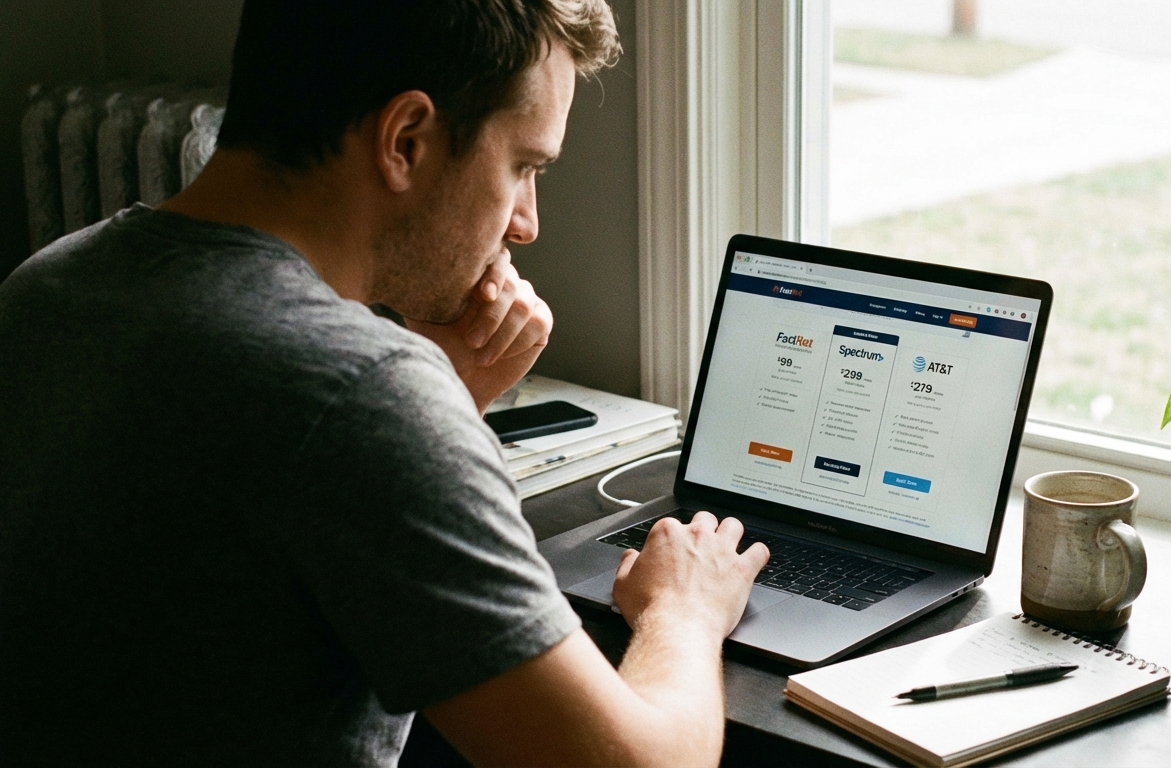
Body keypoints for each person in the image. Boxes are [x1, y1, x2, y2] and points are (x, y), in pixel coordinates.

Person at [0, 1, 768, 765]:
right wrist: (685, 611)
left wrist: (452, 400)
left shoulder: (47, 289)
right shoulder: (361, 393)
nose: (527, 222)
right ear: (406, 140)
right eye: (524, 166)